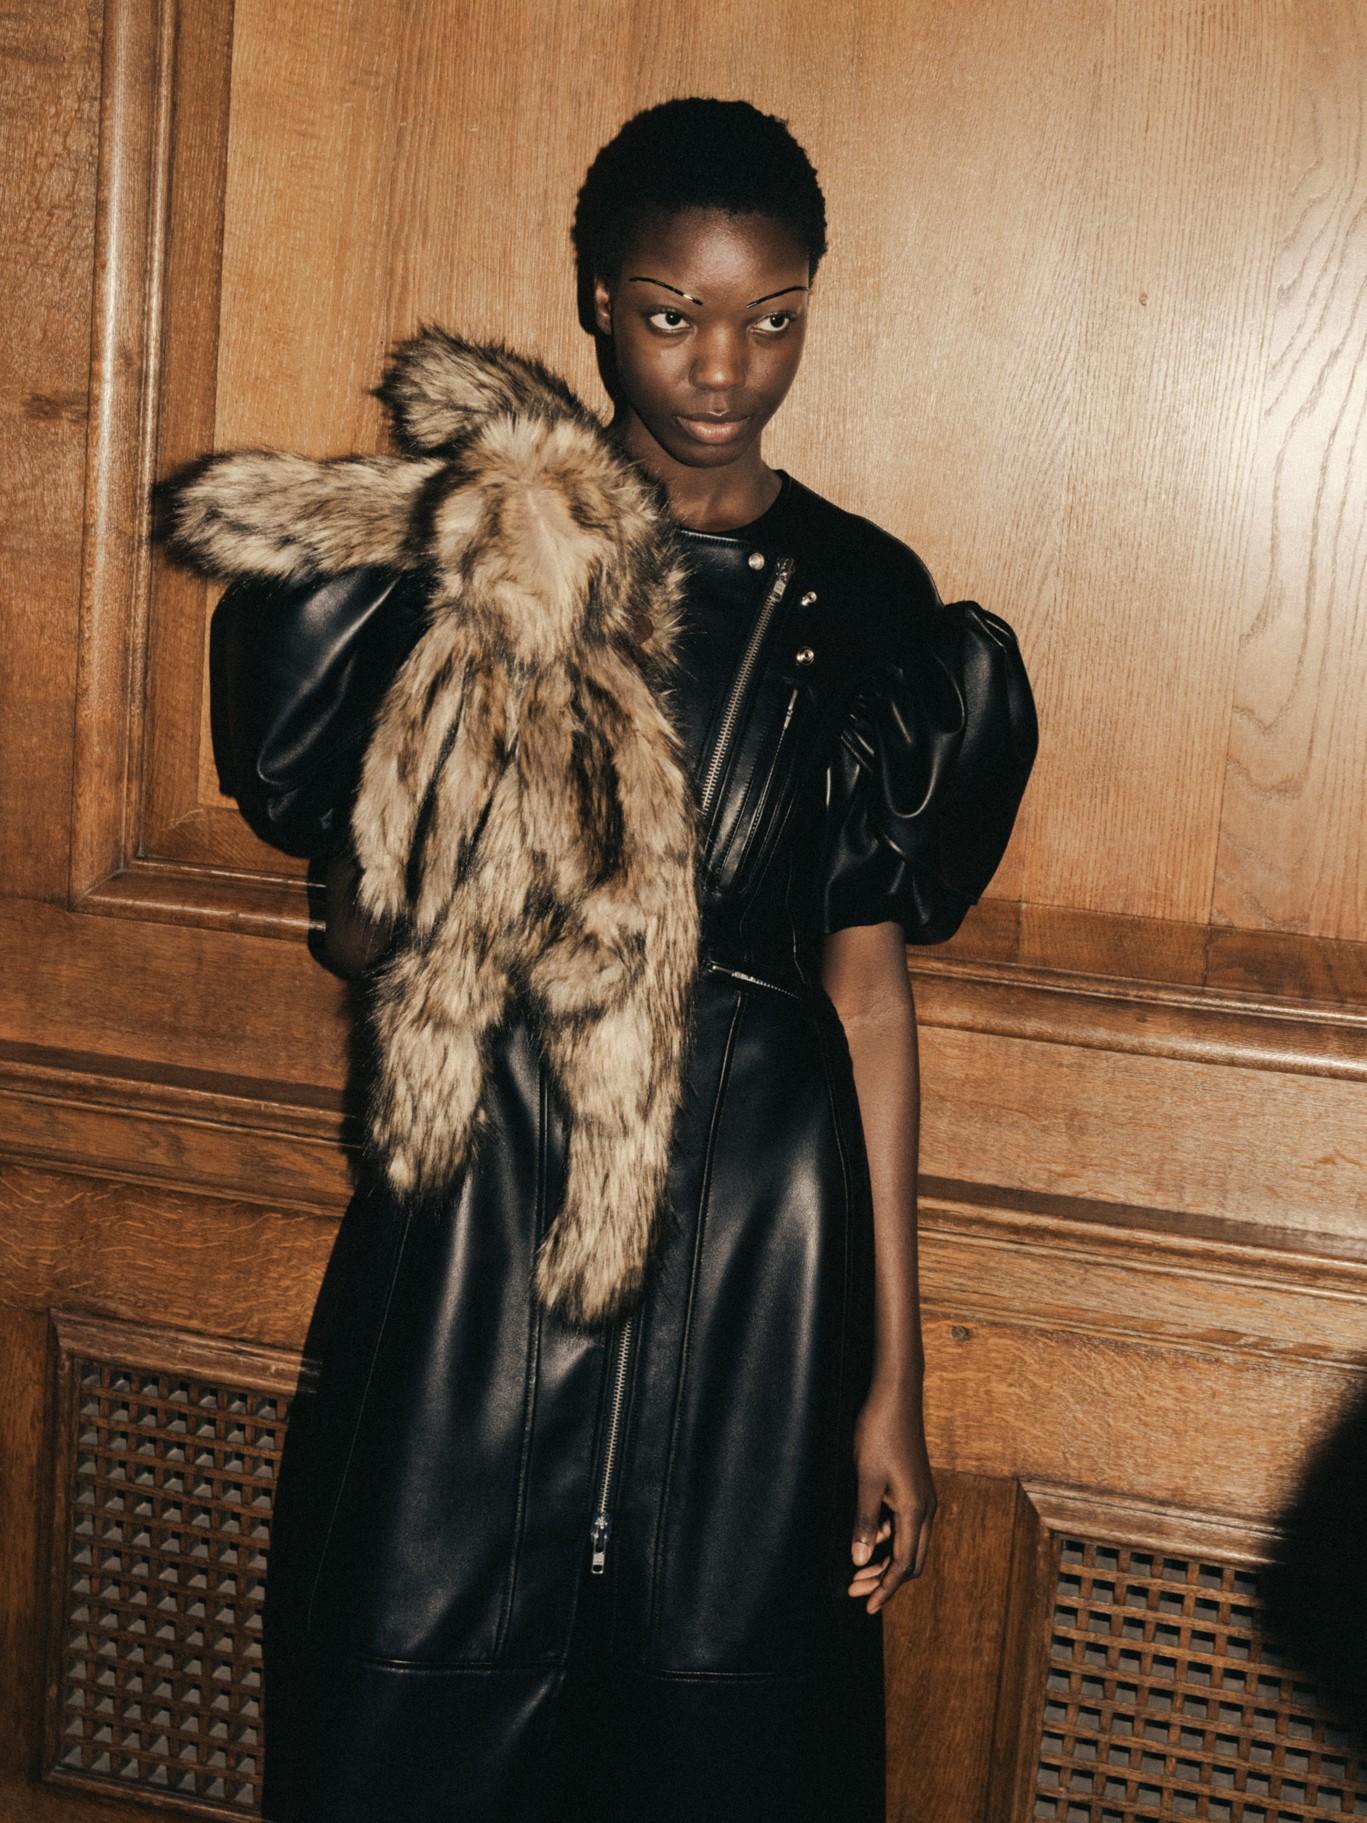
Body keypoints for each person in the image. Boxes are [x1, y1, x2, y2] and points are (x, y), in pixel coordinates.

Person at [159, 96, 1037, 1823]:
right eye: (670, 311)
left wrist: (895, 1376)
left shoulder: (868, 599)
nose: (723, 366)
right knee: (417, 1681)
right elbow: (355, 924)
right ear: (595, 298)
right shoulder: (473, 558)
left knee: (727, 1718)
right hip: (491, 1209)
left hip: (767, 1236)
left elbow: (867, 991)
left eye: (771, 317)